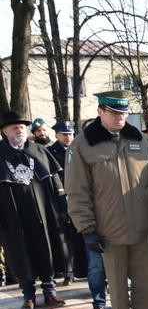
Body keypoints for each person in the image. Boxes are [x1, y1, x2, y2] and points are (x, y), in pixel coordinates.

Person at [65, 91, 148, 309]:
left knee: (144, 286)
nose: (120, 117)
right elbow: (77, 190)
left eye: (123, 112)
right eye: (114, 112)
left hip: (141, 227)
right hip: (108, 230)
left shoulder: (140, 141)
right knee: (117, 289)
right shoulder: (82, 144)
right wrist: (86, 228)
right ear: (101, 111)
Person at [0, 111, 69, 309]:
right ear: (5, 131)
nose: (19, 130)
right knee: (21, 253)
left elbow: (56, 181)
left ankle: (50, 292)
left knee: (47, 249)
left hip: (44, 213)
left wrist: (63, 207)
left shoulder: (39, 151)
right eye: (14, 127)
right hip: (13, 216)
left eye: (22, 126)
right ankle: (28, 295)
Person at [50, 119, 87, 286]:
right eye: (64, 134)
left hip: (79, 198)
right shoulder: (50, 152)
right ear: (56, 135)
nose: (68, 137)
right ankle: (67, 271)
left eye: (70, 134)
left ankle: (80, 267)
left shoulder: (80, 148)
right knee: (65, 237)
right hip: (61, 199)